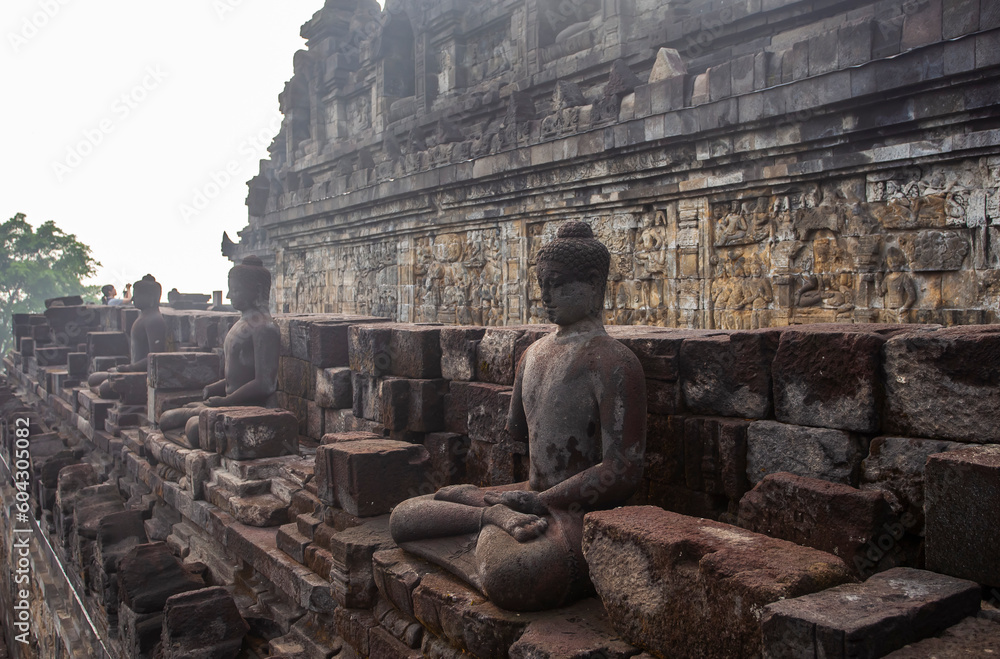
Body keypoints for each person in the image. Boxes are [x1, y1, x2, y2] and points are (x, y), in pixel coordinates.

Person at [389, 221, 647, 611]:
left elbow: (622, 469)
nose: (545, 295)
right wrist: (513, 504)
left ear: (594, 284)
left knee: (513, 573)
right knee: (404, 516)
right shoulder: (531, 355)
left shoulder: (613, 362)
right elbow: (520, 431)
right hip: (526, 499)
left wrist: (542, 501)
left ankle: (484, 528)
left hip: (575, 512)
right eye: (541, 283)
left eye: (556, 283)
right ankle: (489, 519)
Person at [158, 256, 280, 445]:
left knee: (192, 428)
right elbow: (239, 377)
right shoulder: (241, 323)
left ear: (256, 290)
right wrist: (215, 387)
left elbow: (265, 384)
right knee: (167, 418)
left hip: (252, 408)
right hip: (231, 402)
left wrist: (226, 401)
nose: (230, 296)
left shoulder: (265, 328)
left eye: (236, 290)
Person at [88, 275, 166, 397]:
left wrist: (130, 368)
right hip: (133, 371)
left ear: (151, 298)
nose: (134, 298)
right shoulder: (143, 316)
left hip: (143, 375)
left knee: (104, 387)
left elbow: (156, 357)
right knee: (93, 378)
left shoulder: (154, 320)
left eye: (138, 295)